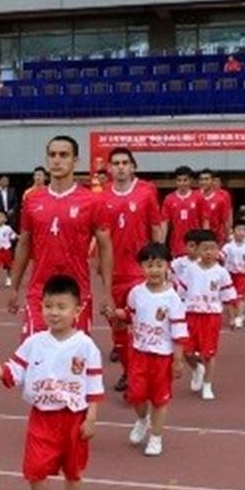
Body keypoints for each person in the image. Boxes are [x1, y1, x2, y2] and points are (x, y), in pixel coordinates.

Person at [0, 275, 102, 490]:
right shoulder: (34, 342)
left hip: (74, 418)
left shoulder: (86, 346)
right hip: (42, 418)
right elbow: (13, 371)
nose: (54, 312)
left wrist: (92, 417)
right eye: (49, 306)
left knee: (74, 472)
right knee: (34, 470)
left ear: (77, 310)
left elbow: (94, 385)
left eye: (62, 307)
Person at [8, 136, 114, 338]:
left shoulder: (91, 201)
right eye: (52, 155)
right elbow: (24, 243)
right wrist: (14, 287)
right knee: (34, 358)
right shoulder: (32, 200)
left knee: (72, 362)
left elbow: (106, 246)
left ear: (76, 161)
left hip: (76, 292)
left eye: (64, 155)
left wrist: (107, 292)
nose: (57, 160)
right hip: (40, 292)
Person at [99, 147, 163, 390]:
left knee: (140, 325)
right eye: (115, 163)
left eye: (125, 162)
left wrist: (158, 262)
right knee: (117, 326)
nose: (121, 167)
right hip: (113, 272)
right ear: (109, 168)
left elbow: (155, 228)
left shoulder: (146, 192)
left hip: (140, 272)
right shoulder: (102, 197)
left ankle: (143, 376)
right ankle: (129, 371)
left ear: (133, 166)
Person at [119, 244, 187, 457]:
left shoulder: (173, 299)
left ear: (168, 266)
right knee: (136, 396)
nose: (154, 270)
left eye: (159, 265)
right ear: (141, 267)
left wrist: (178, 360)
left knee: (159, 399)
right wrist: (118, 315)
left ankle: (156, 437)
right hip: (139, 353)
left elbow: (179, 333)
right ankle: (142, 420)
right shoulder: (136, 293)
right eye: (149, 265)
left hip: (162, 357)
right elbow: (130, 315)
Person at [177, 230, 237, 401]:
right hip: (190, 315)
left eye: (212, 248)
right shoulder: (189, 270)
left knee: (209, 354)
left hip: (211, 317)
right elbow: (180, 293)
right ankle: (197, 369)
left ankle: (207, 385)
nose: (209, 252)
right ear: (197, 250)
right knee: (185, 351)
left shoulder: (221, 272)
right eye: (205, 248)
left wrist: (232, 317)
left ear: (218, 250)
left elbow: (227, 297)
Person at [163, 165, 203, 257]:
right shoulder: (169, 199)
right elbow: (165, 223)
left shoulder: (199, 197)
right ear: (175, 182)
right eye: (179, 180)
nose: (182, 183)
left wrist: (206, 241)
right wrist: (161, 243)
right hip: (176, 246)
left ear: (190, 181)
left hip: (196, 245)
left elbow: (204, 221)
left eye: (185, 180)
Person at [221, 219, 245, 328]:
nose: (241, 232)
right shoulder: (228, 247)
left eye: (244, 230)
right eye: (239, 230)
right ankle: (232, 317)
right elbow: (221, 257)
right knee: (229, 298)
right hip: (229, 276)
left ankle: (239, 317)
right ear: (233, 231)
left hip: (241, 275)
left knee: (240, 297)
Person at [197, 168, 232, 245]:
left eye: (206, 179)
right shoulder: (194, 197)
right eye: (201, 179)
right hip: (197, 239)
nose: (204, 182)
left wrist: (228, 236)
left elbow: (225, 220)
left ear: (212, 181)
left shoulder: (220, 199)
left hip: (216, 239)